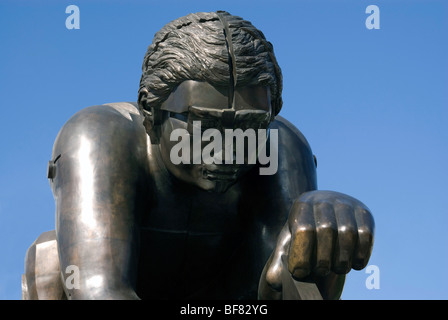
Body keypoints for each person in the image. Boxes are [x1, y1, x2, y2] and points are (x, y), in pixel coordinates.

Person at [22, 11, 374, 300]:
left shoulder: (280, 147)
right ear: (152, 113)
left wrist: (315, 252)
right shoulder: (99, 136)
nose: (227, 150)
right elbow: (101, 292)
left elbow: (270, 294)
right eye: (203, 124)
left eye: (250, 126)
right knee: (51, 260)